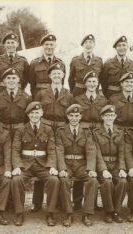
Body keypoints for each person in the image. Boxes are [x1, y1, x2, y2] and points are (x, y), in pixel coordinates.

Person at [33, 62, 75, 212]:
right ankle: (36, 203)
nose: (57, 76)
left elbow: (70, 114)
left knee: (59, 160)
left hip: (62, 128)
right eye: (54, 73)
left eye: (60, 73)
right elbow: (35, 112)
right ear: (50, 76)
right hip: (45, 128)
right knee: (43, 161)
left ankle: (59, 202)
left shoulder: (68, 95)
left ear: (63, 75)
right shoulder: (42, 93)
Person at [11, 102, 60, 226]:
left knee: (54, 180)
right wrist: (17, 166)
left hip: (42, 164)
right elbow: (15, 150)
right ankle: (19, 213)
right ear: (28, 115)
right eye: (32, 113)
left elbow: (51, 150)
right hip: (26, 164)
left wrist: (52, 166)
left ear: (41, 113)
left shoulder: (48, 129)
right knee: (16, 180)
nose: (34, 115)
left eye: (37, 113)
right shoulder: (21, 129)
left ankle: (50, 213)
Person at [56, 104, 98, 227]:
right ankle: (69, 213)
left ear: (80, 117)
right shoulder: (61, 131)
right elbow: (59, 150)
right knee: (63, 180)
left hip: (81, 165)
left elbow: (90, 151)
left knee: (92, 180)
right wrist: (62, 168)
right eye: (71, 116)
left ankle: (87, 214)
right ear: (68, 117)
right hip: (67, 164)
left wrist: (91, 169)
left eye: (76, 116)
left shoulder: (86, 132)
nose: (74, 118)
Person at [92, 105, 128, 223]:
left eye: (112, 115)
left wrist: (122, 168)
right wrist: (103, 170)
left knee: (123, 182)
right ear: (102, 117)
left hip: (116, 165)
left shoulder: (119, 132)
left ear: (115, 116)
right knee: (107, 183)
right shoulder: (96, 133)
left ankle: (116, 211)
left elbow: (122, 152)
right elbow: (97, 154)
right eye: (107, 116)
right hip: (103, 165)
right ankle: (108, 211)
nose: (109, 118)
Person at [0, 68, 31, 136]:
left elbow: (29, 118)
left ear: (18, 79)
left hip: (20, 131)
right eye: (8, 78)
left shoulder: (26, 98)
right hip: (3, 131)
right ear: (4, 80)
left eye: (13, 78)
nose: (11, 81)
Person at [29, 33, 65, 98]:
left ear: (55, 46)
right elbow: (32, 84)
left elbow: (62, 83)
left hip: (55, 97)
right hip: (40, 96)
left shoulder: (61, 64)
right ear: (42, 46)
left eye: (51, 44)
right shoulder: (34, 64)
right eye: (46, 44)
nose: (49, 47)